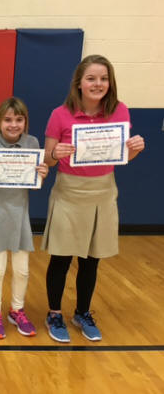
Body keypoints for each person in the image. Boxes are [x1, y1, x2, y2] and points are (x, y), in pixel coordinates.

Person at [42, 55, 145, 343]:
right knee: (61, 257)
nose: (97, 84)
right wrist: (55, 153)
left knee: (91, 260)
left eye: (103, 78)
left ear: (110, 82)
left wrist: (135, 148)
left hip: (103, 191)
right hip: (69, 192)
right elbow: (48, 160)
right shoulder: (60, 114)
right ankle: (54, 314)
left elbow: (123, 156)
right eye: (91, 78)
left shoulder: (120, 110)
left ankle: (82, 312)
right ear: (79, 83)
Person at [0, 97, 48, 339]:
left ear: (25, 122)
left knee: (22, 270)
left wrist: (42, 174)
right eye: (8, 120)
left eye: (19, 119)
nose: (13, 124)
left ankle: (17, 310)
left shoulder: (32, 143)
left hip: (19, 216)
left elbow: (34, 183)